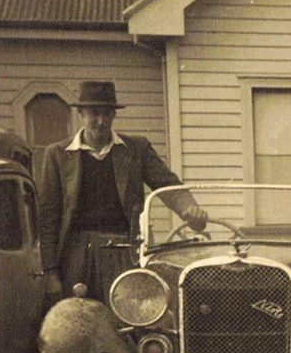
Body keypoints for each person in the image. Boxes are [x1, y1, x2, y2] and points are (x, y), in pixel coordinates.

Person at [39, 80, 207, 303]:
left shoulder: (136, 149)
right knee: (77, 323)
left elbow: (168, 185)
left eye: (107, 114)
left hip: (124, 251)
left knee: (131, 320)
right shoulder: (57, 154)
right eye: (94, 113)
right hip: (76, 255)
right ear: (80, 113)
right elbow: (47, 217)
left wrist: (189, 210)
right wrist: (50, 272)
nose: (101, 121)